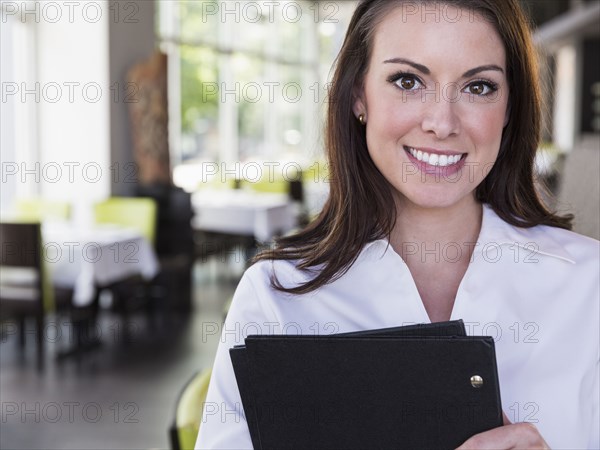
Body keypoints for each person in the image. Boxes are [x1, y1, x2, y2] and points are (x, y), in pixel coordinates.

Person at [196, 0, 599, 448]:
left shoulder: (589, 285)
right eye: (408, 81)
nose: (442, 123)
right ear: (358, 95)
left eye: (479, 87)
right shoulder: (275, 296)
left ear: (509, 109)